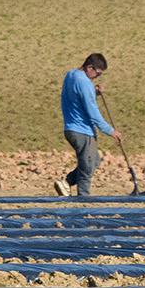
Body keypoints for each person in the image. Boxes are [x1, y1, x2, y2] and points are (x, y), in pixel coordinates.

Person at [56, 53, 121, 198]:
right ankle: (83, 200)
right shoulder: (85, 83)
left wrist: (94, 91)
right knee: (87, 166)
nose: (97, 77)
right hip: (82, 130)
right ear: (89, 67)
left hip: (70, 129)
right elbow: (93, 112)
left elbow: (78, 95)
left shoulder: (71, 75)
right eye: (97, 73)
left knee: (94, 161)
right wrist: (110, 131)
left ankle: (66, 183)